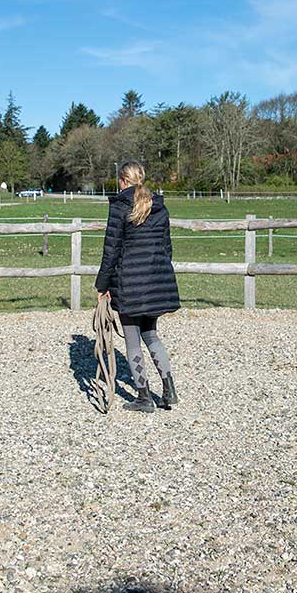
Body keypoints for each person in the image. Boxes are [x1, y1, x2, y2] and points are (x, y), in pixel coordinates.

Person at [95, 161, 181, 413]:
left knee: (132, 340)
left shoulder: (120, 207)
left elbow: (111, 251)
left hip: (129, 283)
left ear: (122, 180)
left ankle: (144, 398)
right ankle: (169, 390)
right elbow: (167, 249)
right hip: (155, 281)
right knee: (151, 335)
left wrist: (103, 285)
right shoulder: (160, 207)